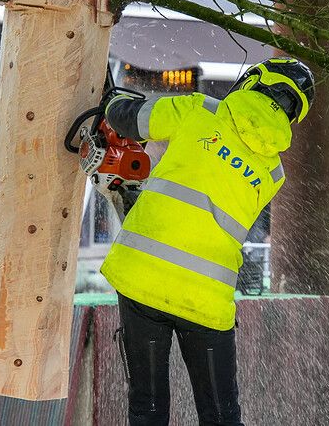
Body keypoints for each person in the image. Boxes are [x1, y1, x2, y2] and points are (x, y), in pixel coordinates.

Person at [100, 57, 315, 425]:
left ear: (252, 80)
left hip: (143, 279)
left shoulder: (200, 109)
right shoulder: (273, 173)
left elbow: (128, 120)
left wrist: (108, 102)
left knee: (147, 408)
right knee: (220, 416)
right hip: (207, 299)